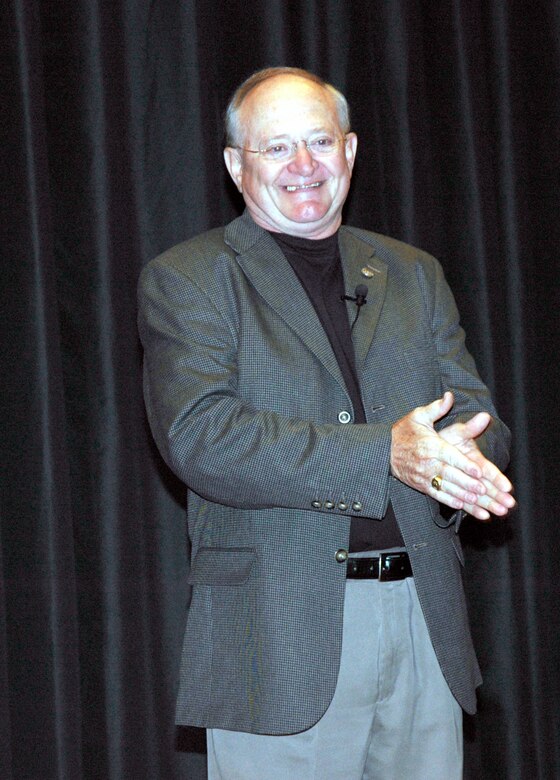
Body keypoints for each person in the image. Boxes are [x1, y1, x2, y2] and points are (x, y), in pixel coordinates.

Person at [138, 66, 515, 779]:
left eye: (320, 141)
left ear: (350, 150)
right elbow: (201, 435)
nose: (305, 165)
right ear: (234, 166)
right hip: (277, 638)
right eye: (277, 148)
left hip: (422, 623)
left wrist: (462, 458)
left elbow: (476, 415)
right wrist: (388, 455)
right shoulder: (190, 277)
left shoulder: (411, 272)